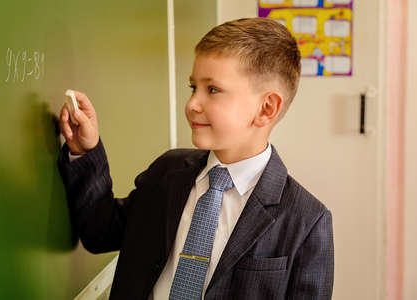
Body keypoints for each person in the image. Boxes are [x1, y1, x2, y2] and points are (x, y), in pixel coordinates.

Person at [58, 17, 334, 300]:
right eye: (193, 87)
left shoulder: (306, 220)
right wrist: (84, 151)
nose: (192, 104)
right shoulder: (168, 172)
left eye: (212, 90)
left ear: (266, 108)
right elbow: (100, 231)